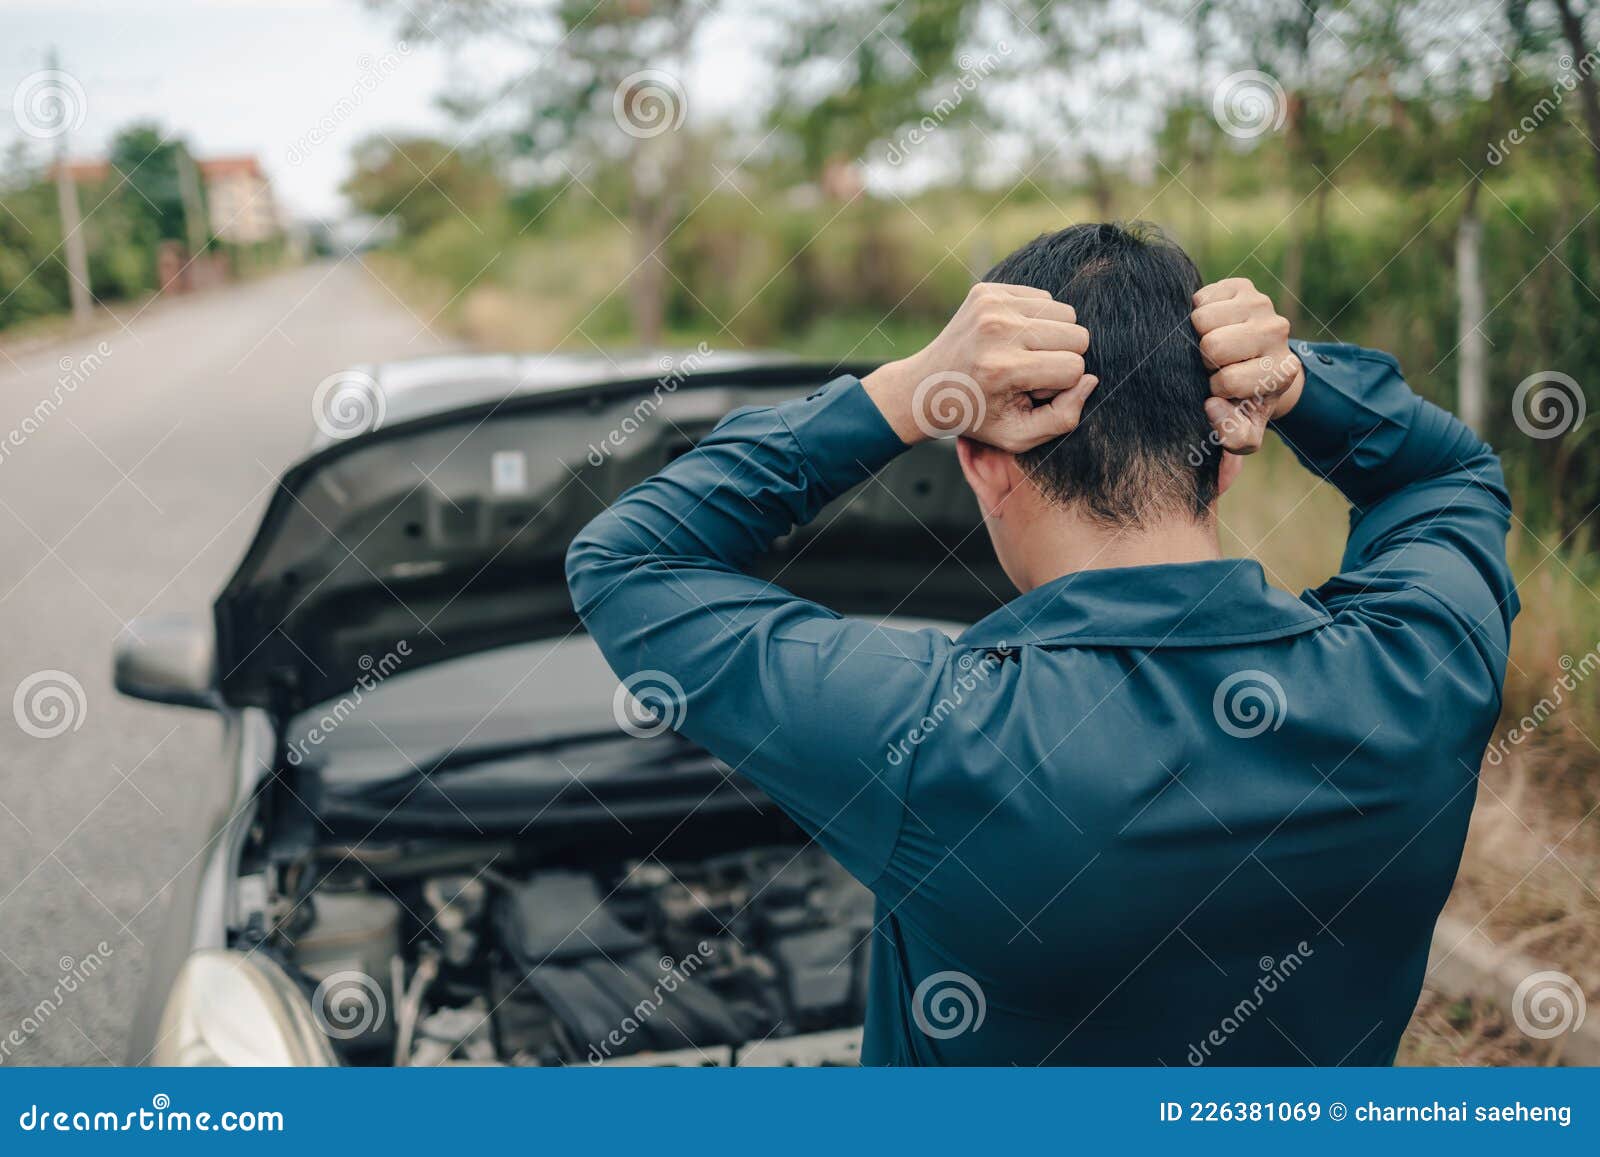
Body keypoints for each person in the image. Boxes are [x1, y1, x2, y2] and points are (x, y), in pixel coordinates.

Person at [565, 221, 1518, 1065]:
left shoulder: (933, 737)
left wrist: (904, 392)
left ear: (981, 468)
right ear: (1228, 454)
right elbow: (1447, 477)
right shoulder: (1412, 679)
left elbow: (630, 560)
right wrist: (1304, 382)